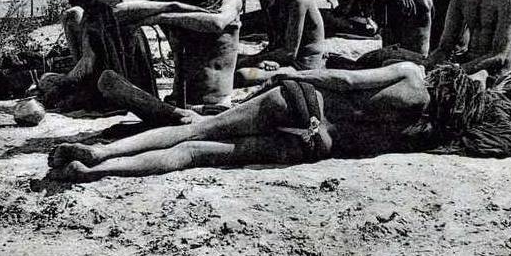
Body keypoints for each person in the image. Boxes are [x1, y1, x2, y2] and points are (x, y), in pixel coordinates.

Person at [46, 61, 429, 182]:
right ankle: (94, 173)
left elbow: (347, 80)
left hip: (302, 104)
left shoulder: (413, 75)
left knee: (193, 130)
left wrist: (295, 73)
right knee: (195, 153)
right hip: (315, 144)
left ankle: (101, 152)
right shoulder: (420, 133)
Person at [110, 0, 243, 117]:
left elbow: (216, 23)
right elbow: (116, 12)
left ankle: (177, 119)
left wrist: (165, 17)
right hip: (176, 104)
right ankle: (176, 116)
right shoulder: (175, 6)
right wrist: (173, 6)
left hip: (213, 107)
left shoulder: (229, 0)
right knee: (108, 80)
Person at [37, 0, 156, 111]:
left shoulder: (95, 10)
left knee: (47, 81)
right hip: (139, 87)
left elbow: (87, 63)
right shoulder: (114, 2)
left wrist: (65, 81)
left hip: (112, 92)